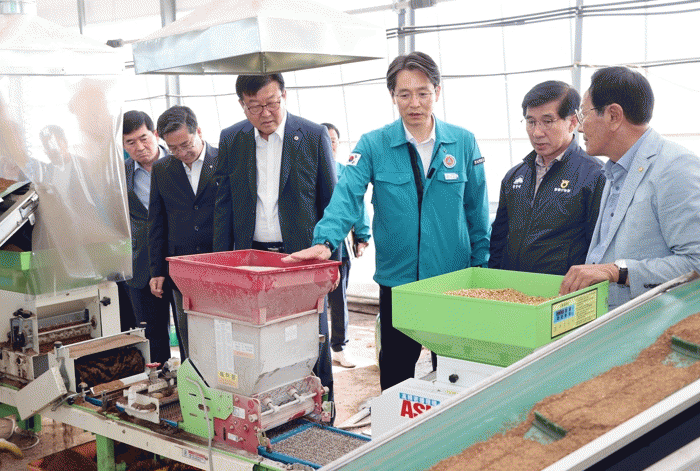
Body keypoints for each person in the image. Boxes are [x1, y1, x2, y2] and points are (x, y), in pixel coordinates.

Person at [284, 52, 491, 391]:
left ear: (437, 92)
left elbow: (477, 209)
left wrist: (481, 267)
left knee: (454, 376)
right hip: (398, 283)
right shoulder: (374, 144)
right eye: (404, 94)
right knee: (396, 375)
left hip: (451, 281)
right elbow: (348, 194)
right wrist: (325, 241)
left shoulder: (463, 142)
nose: (414, 103)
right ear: (392, 95)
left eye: (423, 93)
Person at [212, 74, 337, 402]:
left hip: (299, 259)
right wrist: (221, 264)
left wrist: (332, 261)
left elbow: (331, 203)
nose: (265, 113)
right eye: (255, 106)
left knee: (311, 337)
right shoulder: (232, 138)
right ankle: (270, 408)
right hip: (252, 259)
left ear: (284, 95)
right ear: (242, 104)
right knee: (258, 341)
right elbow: (223, 206)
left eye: (272, 103)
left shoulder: (312, 135)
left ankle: (323, 406)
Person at [560, 66, 700, 309]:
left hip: (652, 323)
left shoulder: (675, 167)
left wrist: (618, 271)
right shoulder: (614, 170)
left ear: (613, 115)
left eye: (584, 115)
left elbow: (695, 263)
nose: (580, 128)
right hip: (613, 320)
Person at [489, 81, 605, 275]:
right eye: (531, 122)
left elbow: (599, 247)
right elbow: (498, 241)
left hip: (563, 289)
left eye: (547, 121)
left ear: (573, 122)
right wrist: (493, 280)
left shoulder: (594, 175)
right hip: (512, 288)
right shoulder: (514, 176)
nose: (537, 132)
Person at [148, 106, 219, 360]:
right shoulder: (162, 169)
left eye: (186, 145)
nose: (181, 153)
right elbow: (156, 222)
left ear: (198, 131)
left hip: (220, 263)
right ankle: (194, 380)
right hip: (182, 267)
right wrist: (157, 271)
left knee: (223, 332)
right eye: (173, 148)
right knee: (188, 332)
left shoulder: (225, 161)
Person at [122, 110, 172, 364]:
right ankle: (161, 380)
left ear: (155, 134)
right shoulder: (121, 173)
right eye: (130, 142)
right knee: (151, 334)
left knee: (191, 330)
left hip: (178, 254)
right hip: (141, 263)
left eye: (143, 138)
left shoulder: (179, 159)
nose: (139, 147)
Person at [320, 122, 371, 369]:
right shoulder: (307, 170)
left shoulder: (345, 172)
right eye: (325, 140)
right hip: (313, 247)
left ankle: (339, 347)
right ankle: (315, 348)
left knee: (339, 298)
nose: (329, 144)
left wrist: (362, 236)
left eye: (333, 140)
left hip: (340, 246)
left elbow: (357, 204)